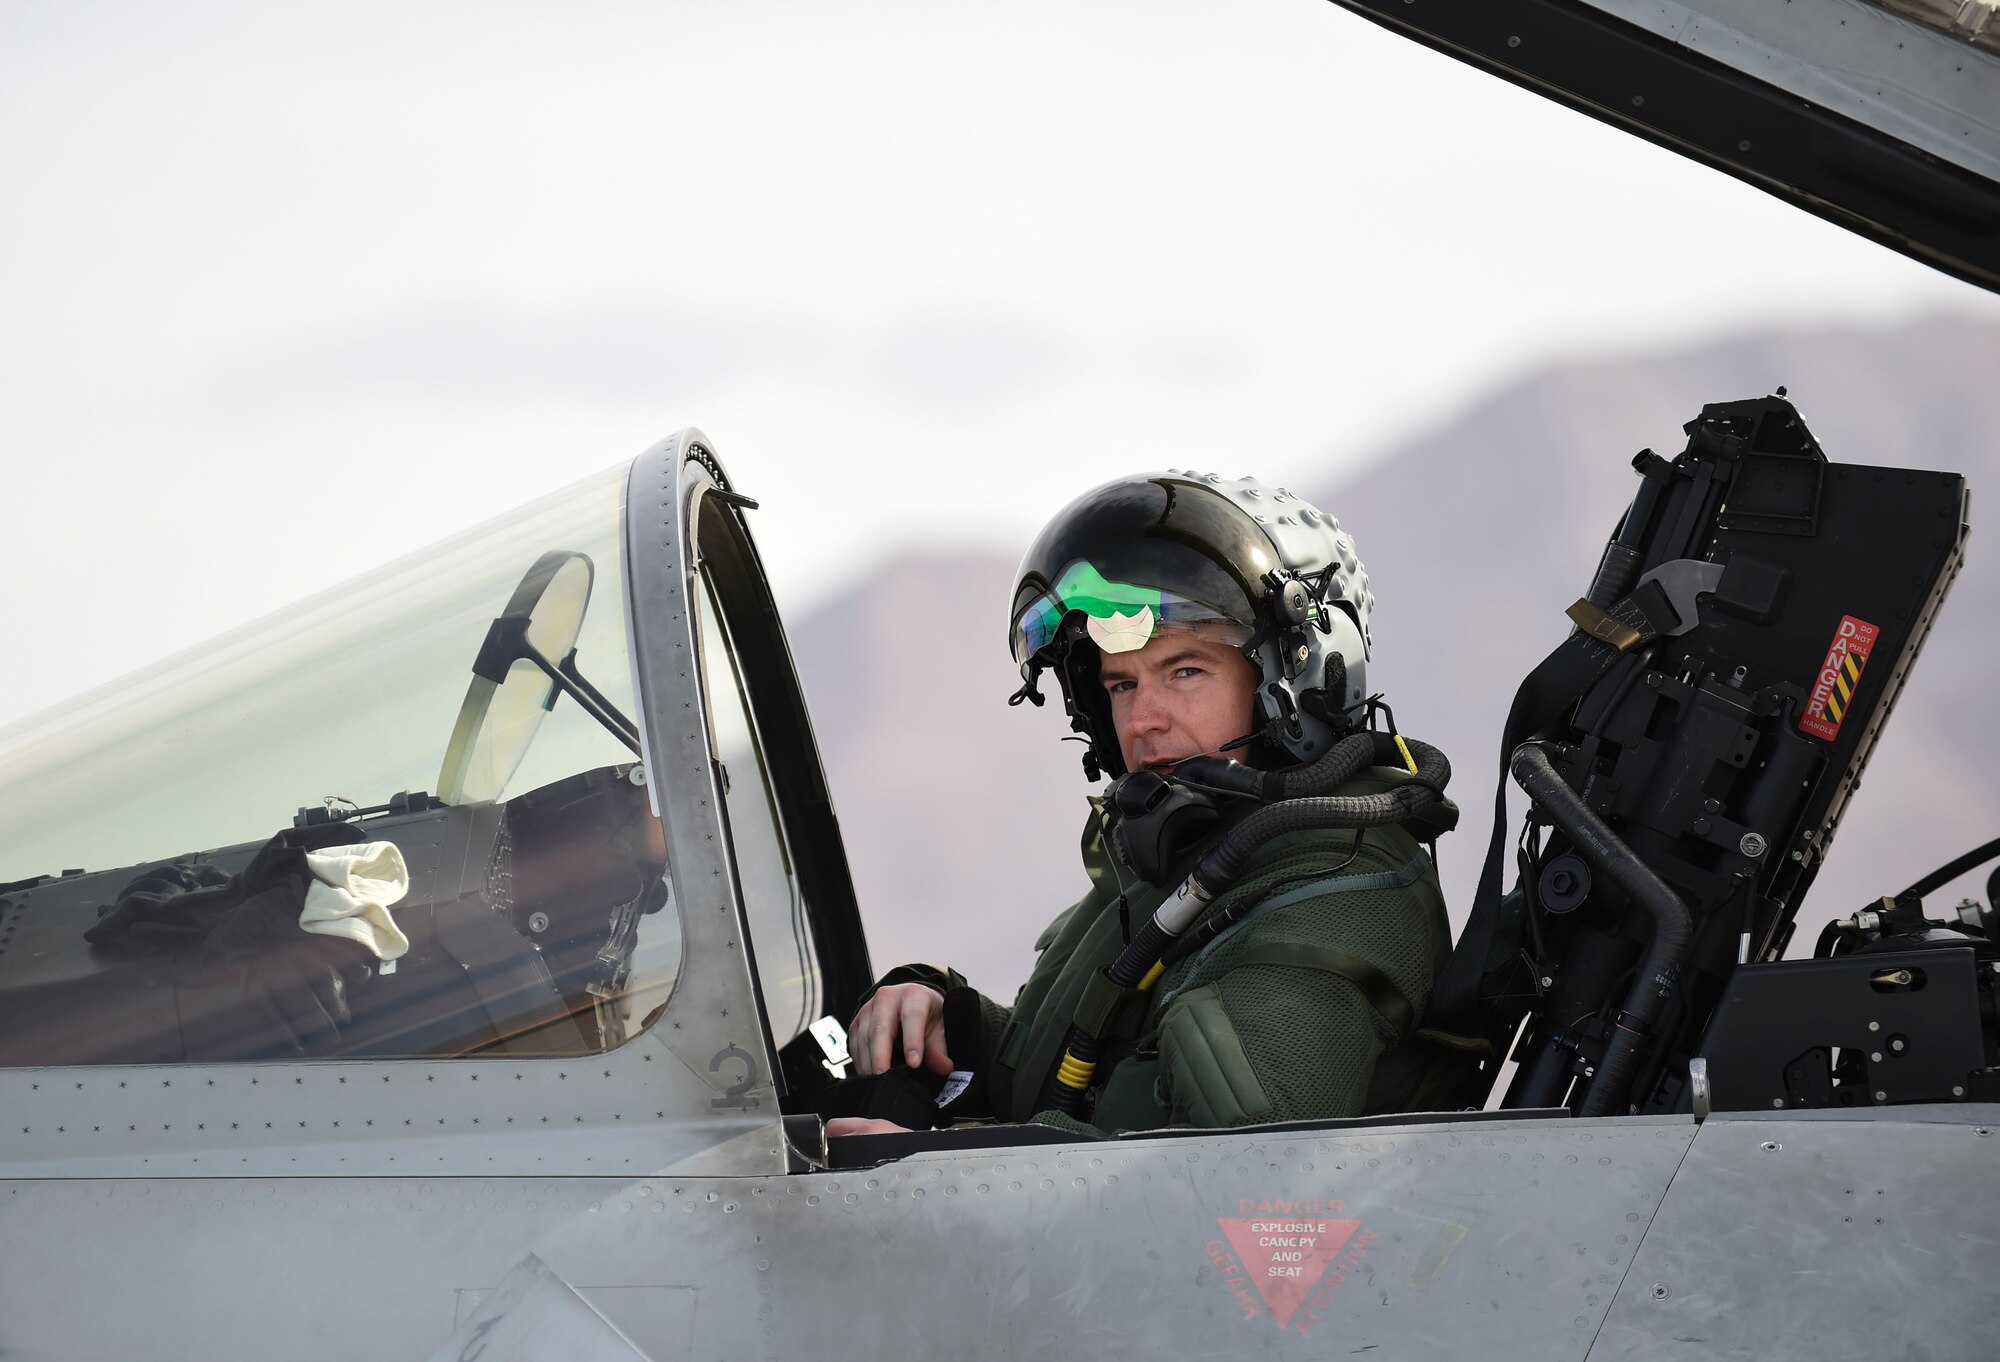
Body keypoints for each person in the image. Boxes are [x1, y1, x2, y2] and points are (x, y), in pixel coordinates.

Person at [826, 471, 1462, 1138]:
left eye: (1185, 671)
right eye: (1122, 684)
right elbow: (1087, 1078)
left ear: (1292, 675)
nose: (1143, 719)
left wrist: (935, 1167)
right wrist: (949, 1023)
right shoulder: (1179, 865)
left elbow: (1215, 1184)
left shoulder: (1338, 891)